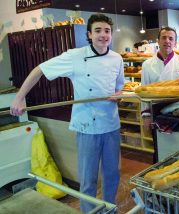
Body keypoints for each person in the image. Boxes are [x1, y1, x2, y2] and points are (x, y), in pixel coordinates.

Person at [10, 13, 124, 213]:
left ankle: (110, 209)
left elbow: (120, 88)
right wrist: (19, 98)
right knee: (88, 177)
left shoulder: (117, 59)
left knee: (112, 174)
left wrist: (119, 95)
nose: (103, 35)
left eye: (107, 31)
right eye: (98, 30)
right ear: (89, 34)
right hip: (87, 126)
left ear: (111, 35)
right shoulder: (74, 56)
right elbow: (39, 70)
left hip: (111, 124)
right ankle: (90, 211)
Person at [141, 26, 179, 120]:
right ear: (158, 41)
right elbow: (143, 92)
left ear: (175, 43)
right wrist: (146, 116)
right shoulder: (147, 64)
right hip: (157, 111)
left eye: (171, 38)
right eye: (164, 38)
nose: (167, 41)